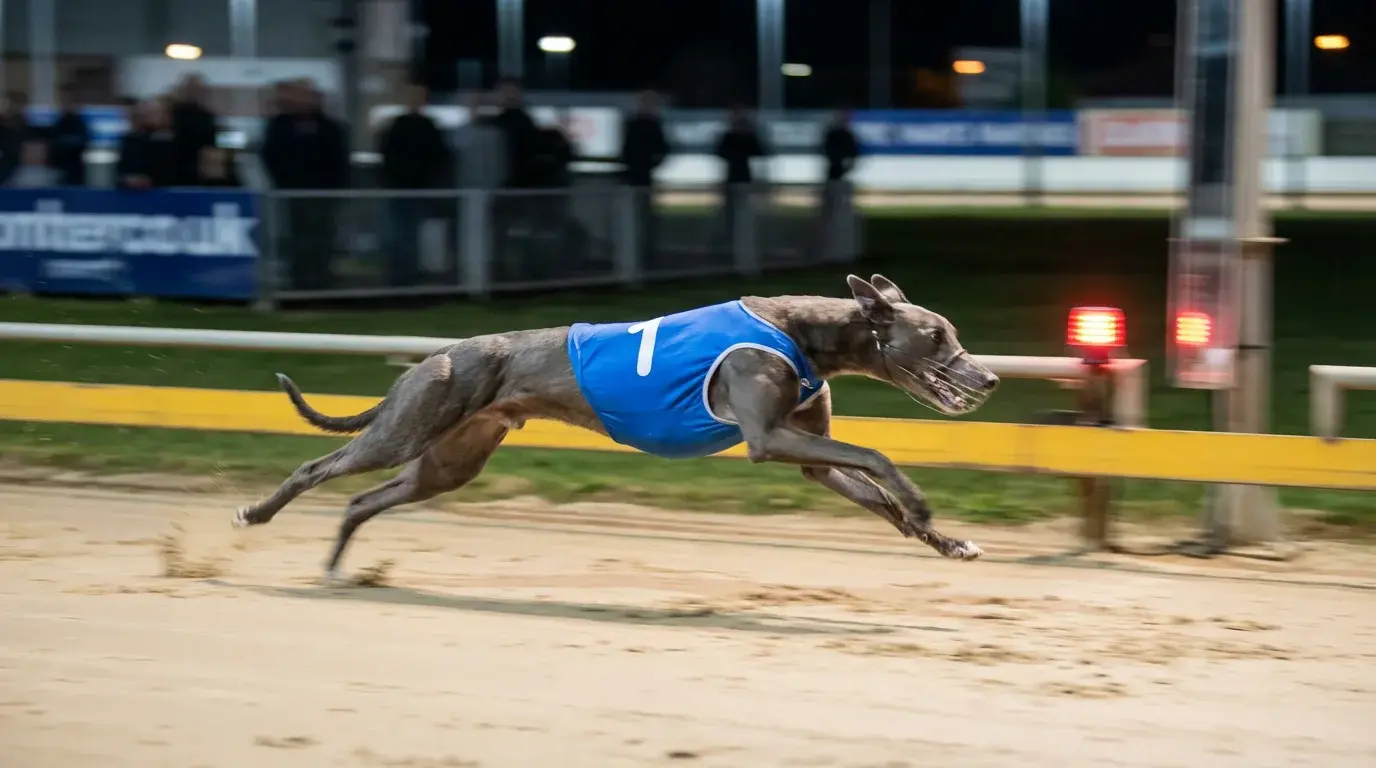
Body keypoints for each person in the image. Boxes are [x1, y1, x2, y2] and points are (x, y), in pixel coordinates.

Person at [260, 80, 351, 291]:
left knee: (322, 237)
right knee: (297, 238)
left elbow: (338, 160)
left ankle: (321, 278)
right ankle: (299, 279)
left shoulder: (330, 127)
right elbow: (271, 155)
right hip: (292, 193)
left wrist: (337, 188)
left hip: (323, 195)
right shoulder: (280, 125)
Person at [376, 83, 450, 286]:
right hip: (399, 189)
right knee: (399, 233)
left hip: (421, 190)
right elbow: (386, 155)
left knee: (415, 234)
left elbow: (438, 158)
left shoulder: (429, 126)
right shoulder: (396, 126)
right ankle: (400, 274)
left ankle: (412, 273)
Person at [618, 90, 669, 264]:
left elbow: (661, 150)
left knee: (644, 218)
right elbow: (627, 151)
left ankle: (644, 255)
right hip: (634, 177)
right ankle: (634, 256)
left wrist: (649, 164)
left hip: (643, 178)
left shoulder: (652, 124)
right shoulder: (633, 124)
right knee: (631, 218)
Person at [713, 105, 768, 253]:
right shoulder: (730, 137)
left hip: (742, 178)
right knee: (733, 211)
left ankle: (739, 239)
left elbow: (761, 152)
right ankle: (731, 239)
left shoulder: (746, 137)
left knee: (742, 211)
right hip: (735, 178)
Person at [169, 74, 220, 186]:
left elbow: (212, 141)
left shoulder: (207, 116)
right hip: (172, 164)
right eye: (192, 89)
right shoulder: (170, 114)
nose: (195, 93)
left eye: (199, 90)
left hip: (199, 167)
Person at [115, 100, 176, 190]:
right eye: (140, 115)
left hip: (163, 192)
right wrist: (126, 180)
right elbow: (122, 170)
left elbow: (172, 172)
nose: (144, 118)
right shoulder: (130, 140)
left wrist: (151, 180)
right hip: (130, 193)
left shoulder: (167, 140)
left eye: (150, 114)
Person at [45, 88, 90, 187]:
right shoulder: (56, 123)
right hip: (55, 170)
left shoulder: (79, 124)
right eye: (62, 100)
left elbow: (83, 142)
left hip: (74, 171)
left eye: (69, 100)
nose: (65, 104)